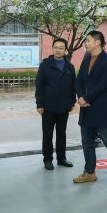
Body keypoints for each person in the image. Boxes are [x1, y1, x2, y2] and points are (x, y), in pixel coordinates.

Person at [73, 31, 107, 187]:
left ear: (97, 42)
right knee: (87, 143)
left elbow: (103, 84)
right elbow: (79, 80)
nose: (85, 43)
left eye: (88, 40)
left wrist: (86, 98)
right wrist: (80, 97)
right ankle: (89, 172)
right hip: (86, 109)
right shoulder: (86, 58)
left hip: (101, 108)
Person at [35, 38, 76, 170]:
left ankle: (61, 158)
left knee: (61, 134)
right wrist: (39, 104)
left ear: (65, 50)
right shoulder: (45, 65)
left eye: (61, 48)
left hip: (64, 106)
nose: (58, 50)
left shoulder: (70, 67)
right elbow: (39, 86)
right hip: (48, 106)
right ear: (52, 49)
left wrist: (72, 102)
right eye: (56, 47)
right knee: (47, 134)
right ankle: (47, 159)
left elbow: (73, 86)